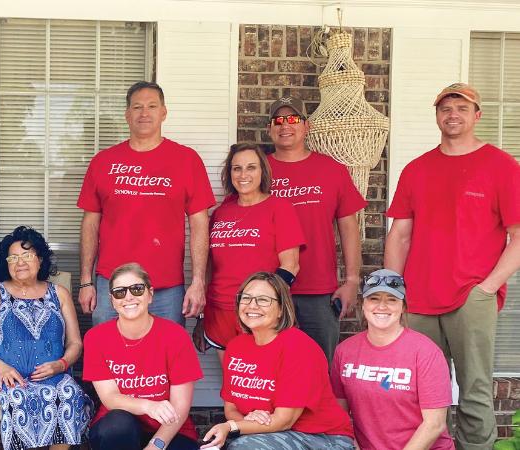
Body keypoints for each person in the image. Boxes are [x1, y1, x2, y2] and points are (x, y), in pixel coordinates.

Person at [385, 82, 520, 450]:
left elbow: (518, 235)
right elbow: (400, 235)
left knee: (474, 388)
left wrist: (489, 287)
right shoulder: (417, 169)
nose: (453, 114)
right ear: (437, 117)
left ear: (477, 115)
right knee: (419, 390)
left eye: (462, 108)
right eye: (445, 108)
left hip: (471, 296)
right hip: (418, 297)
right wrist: (391, 291)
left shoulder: (501, 166)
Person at [77, 81, 215, 327]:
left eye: (152, 106)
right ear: (127, 114)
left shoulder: (186, 160)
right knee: (109, 357)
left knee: (166, 359)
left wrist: (198, 282)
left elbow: (199, 225)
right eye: (137, 107)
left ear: (164, 112)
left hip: (166, 287)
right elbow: (90, 224)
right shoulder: (103, 162)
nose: (144, 113)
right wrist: (86, 280)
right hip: (112, 284)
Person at [200, 272, 354, 450]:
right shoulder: (236, 347)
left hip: (321, 437)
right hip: (270, 433)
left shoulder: (299, 348)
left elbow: (283, 421)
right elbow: (231, 409)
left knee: (244, 447)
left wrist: (232, 426)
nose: (252, 305)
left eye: (263, 300)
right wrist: (248, 420)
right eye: (246, 298)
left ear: (282, 308)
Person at [265, 96, 367, 362]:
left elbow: (348, 227)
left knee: (320, 366)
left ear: (306, 126)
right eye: (278, 120)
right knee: (270, 366)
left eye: (293, 119)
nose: (285, 126)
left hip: (318, 291)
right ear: (269, 129)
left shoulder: (331, 170)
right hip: (268, 288)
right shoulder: (258, 171)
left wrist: (352, 280)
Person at [0, 226, 91, 450]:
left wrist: (61, 364)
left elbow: (75, 342)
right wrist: (1, 367)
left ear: (40, 260)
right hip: (7, 377)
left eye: (27, 255)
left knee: (70, 395)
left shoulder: (60, 294)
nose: (20, 262)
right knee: (19, 397)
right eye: (13, 257)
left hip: (54, 375)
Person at [331, 269, 455, 450]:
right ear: (362, 304)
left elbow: (434, 424)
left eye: (391, 299)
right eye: (374, 298)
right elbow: (338, 415)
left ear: (403, 307)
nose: (382, 306)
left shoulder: (426, 353)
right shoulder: (344, 352)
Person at [84, 263, 203, 450]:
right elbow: (110, 397)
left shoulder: (175, 336)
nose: (129, 297)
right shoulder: (96, 338)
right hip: (119, 426)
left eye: (137, 289)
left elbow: (180, 405)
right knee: (117, 426)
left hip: (170, 427)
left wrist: (157, 444)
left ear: (150, 294)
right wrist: (149, 406)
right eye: (120, 292)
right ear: (112, 300)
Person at [200, 144, 304, 357]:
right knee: (233, 381)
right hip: (220, 310)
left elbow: (290, 265)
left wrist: (266, 305)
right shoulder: (220, 213)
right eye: (236, 168)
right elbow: (209, 265)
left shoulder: (279, 208)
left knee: (263, 380)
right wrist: (203, 308)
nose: (243, 174)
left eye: (251, 167)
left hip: (259, 312)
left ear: (262, 171)